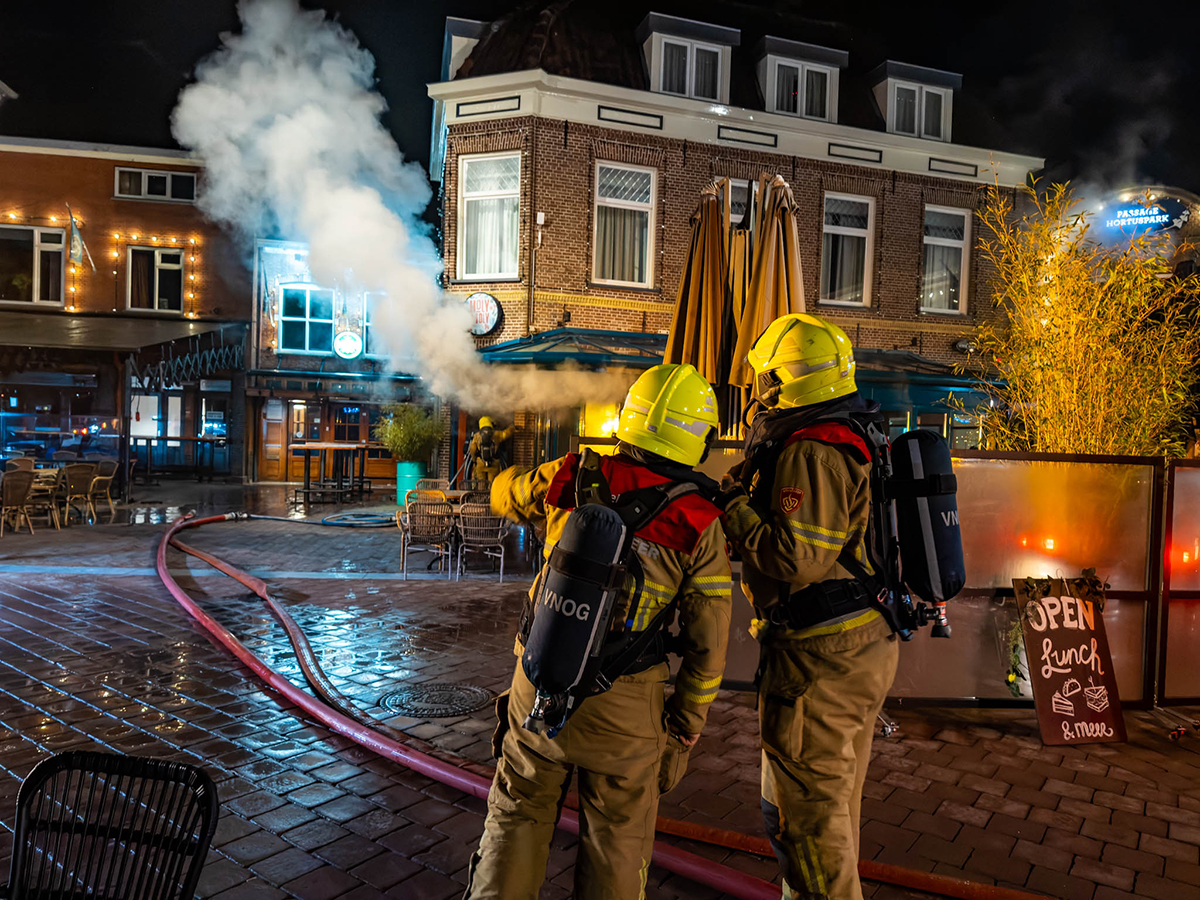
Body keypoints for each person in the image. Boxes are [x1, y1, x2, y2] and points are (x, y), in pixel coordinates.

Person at [464, 363, 733, 900]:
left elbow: (504, 494)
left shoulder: (573, 473)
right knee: (617, 846)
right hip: (629, 713)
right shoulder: (700, 521)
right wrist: (686, 723)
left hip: (540, 682)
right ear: (697, 439)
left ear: (629, 421)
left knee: (516, 817)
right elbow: (709, 642)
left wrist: (496, 472)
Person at [717, 314, 899, 900]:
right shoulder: (851, 430)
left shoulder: (811, 450)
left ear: (788, 381)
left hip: (821, 659)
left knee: (808, 823)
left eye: (767, 378)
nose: (760, 391)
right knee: (834, 806)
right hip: (856, 643)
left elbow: (797, 558)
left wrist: (733, 508)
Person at [467, 416, 516, 485]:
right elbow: (506, 434)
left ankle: (481, 495)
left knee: (481, 484)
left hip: (480, 463)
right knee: (492, 484)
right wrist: (512, 427)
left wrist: (474, 460)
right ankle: (491, 495)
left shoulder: (477, 436)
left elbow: (472, 449)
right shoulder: (496, 434)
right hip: (494, 463)